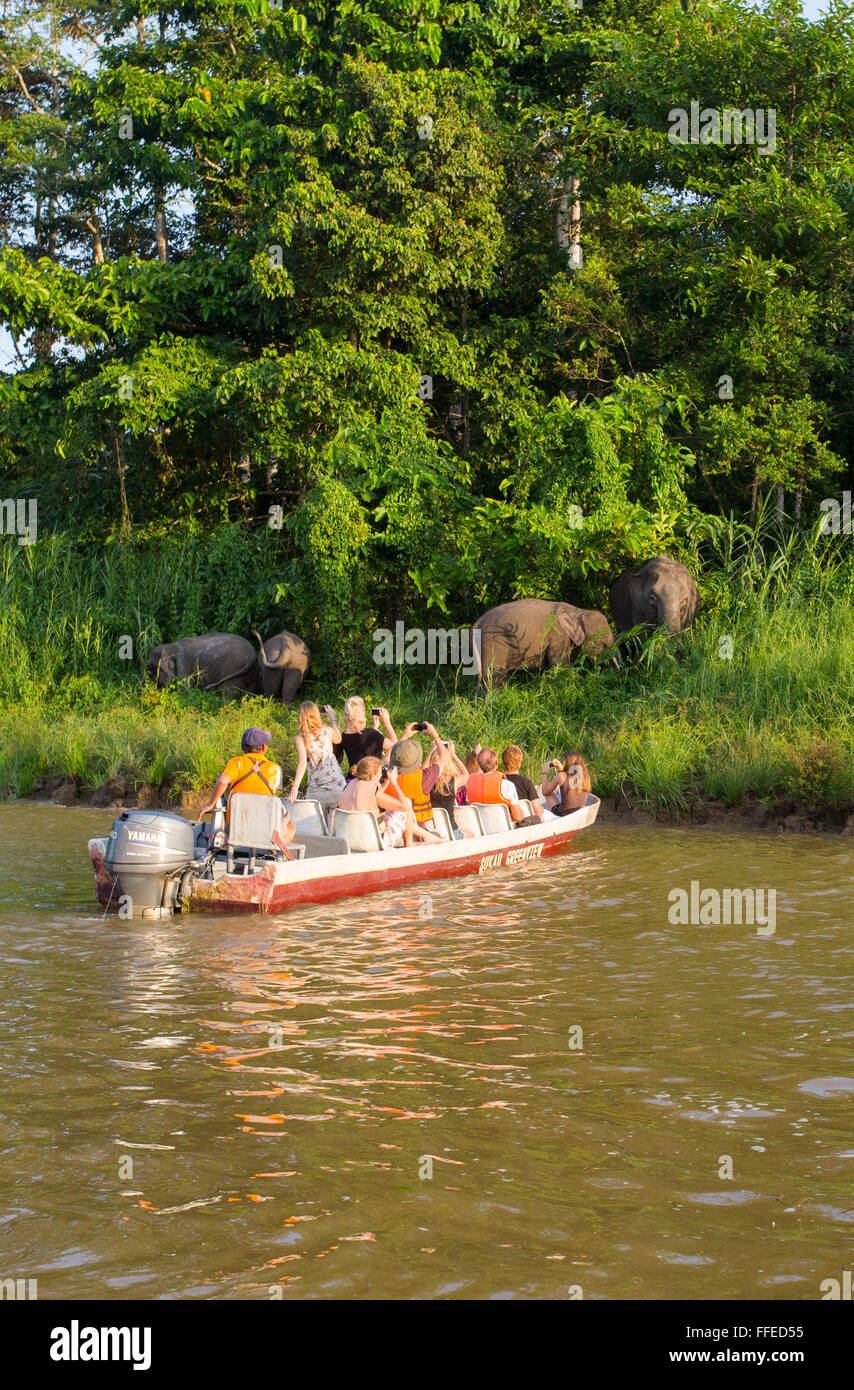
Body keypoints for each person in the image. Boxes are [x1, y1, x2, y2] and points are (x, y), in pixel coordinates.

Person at [197, 727, 295, 854]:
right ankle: (281, 834)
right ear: (264, 747)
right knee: (284, 815)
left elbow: (222, 781)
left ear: (243, 747)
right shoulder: (275, 769)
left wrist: (210, 804)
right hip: (263, 827)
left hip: (236, 827)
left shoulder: (236, 763)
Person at [337, 756, 411, 848]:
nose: (381, 775)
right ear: (372, 776)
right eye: (380, 773)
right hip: (374, 841)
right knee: (407, 801)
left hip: (349, 837)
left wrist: (386, 782)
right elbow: (405, 807)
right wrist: (394, 782)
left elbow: (372, 798)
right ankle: (409, 845)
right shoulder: (372, 791)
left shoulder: (350, 785)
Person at [387, 729, 446, 841]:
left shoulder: (386, 775)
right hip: (416, 835)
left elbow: (386, 759)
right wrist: (436, 736)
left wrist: (404, 736)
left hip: (391, 831)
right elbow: (443, 758)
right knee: (439, 837)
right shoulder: (424, 777)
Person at [289, 701, 346, 812]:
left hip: (316, 791)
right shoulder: (328, 731)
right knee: (335, 825)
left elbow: (302, 763)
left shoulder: (301, 739)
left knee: (316, 826)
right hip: (337, 787)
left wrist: (295, 787)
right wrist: (333, 719)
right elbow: (338, 739)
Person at [327, 698, 397, 774]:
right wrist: (386, 721)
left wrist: (374, 727)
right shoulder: (372, 734)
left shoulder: (343, 736)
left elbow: (339, 760)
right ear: (363, 711)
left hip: (352, 779)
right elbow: (396, 747)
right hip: (373, 779)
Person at [465, 747, 529, 824]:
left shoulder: (470, 785)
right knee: (535, 819)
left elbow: (469, 810)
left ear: (479, 764)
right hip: (505, 829)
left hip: (482, 828)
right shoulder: (507, 785)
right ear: (496, 763)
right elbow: (518, 817)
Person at [427, 739, 473, 837]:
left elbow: (423, 770)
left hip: (432, 831)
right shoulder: (453, 781)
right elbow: (466, 774)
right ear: (447, 762)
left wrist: (430, 752)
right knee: (471, 834)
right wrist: (453, 755)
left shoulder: (426, 781)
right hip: (451, 831)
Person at [501, 745, 545, 820]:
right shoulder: (526, 783)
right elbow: (538, 811)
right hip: (526, 822)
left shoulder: (500, 783)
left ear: (503, 762)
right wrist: (542, 809)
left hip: (507, 821)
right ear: (519, 763)